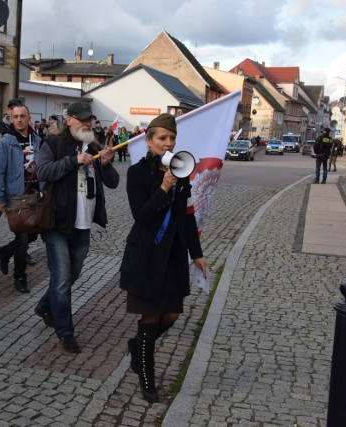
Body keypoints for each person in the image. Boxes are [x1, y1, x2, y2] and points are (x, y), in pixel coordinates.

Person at [119, 113, 207, 403]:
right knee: (151, 316)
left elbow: (187, 218)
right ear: (149, 141)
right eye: (162, 138)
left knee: (171, 315)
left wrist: (197, 254)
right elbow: (141, 216)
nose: (168, 143)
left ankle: (137, 347)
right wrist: (163, 188)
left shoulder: (182, 172)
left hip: (171, 256)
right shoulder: (138, 173)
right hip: (146, 255)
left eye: (172, 138)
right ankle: (147, 378)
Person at [34, 101, 119, 353]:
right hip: (57, 223)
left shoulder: (94, 145)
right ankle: (65, 332)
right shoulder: (53, 144)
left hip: (83, 223)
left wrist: (106, 163)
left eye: (89, 119)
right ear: (68, 119)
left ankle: (43, 306)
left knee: (73, 274)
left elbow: (113, 182)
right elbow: (43, 171)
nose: (87, 123)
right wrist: (73, 161)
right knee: (61, 279)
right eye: (81, 119)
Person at [0, 104, 42, 294]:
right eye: (15, 117)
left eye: (23, 116)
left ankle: (5, 251)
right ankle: (20, 277)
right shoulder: (5, 142)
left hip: (35, 194)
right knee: (21, 239)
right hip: (16, 196)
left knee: (33, 235)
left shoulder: (37, 139)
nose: (19, 120)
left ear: (29, 117)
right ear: (10, 118)